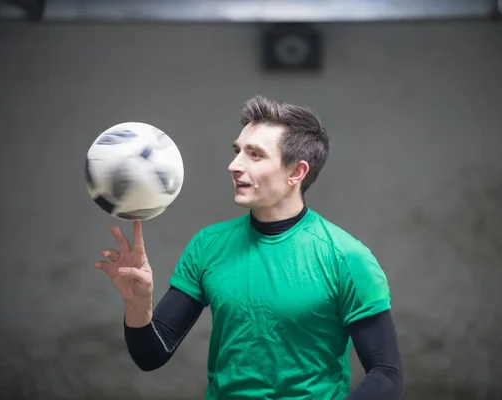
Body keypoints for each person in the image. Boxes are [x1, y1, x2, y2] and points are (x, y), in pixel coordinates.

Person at [95, 95, 404, 399]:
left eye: (255, 155)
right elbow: (151, 356)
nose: (234, 165)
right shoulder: (208, 245)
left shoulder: (346, 258)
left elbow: (386, 374)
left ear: (296, 172)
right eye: (237, 151)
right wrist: (138, 305)